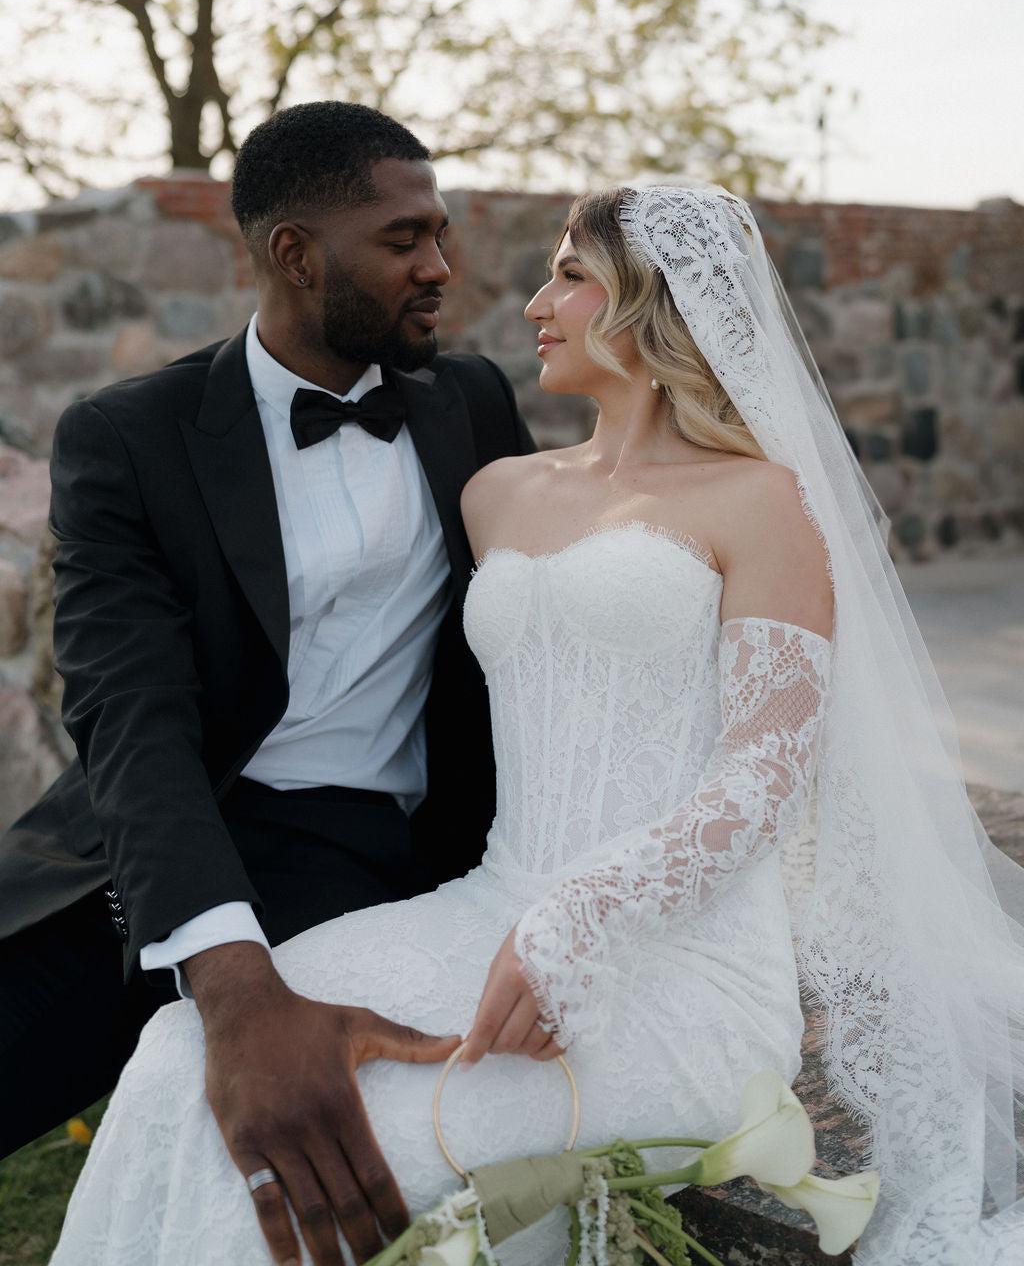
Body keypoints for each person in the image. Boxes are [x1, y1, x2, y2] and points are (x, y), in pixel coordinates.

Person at [50, 186, 1024, 1266]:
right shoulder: (495, 492)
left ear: (651, 307)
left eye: (569, 275)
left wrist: (585, 915)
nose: (529, 303)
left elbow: (762, 779)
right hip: (483, 907)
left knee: (322, 1164)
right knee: (178, 1052)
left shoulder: (765, 503)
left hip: (675, 967)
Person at [0, 102, 535, 1218]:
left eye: (439, 234)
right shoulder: (130, 435)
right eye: (404, 241)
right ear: (294, 254)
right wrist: (233, 987)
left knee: (282, 1175)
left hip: (364, 857)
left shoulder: (471, 405)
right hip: (148, 835)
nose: (440, 267)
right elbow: (128, 712)